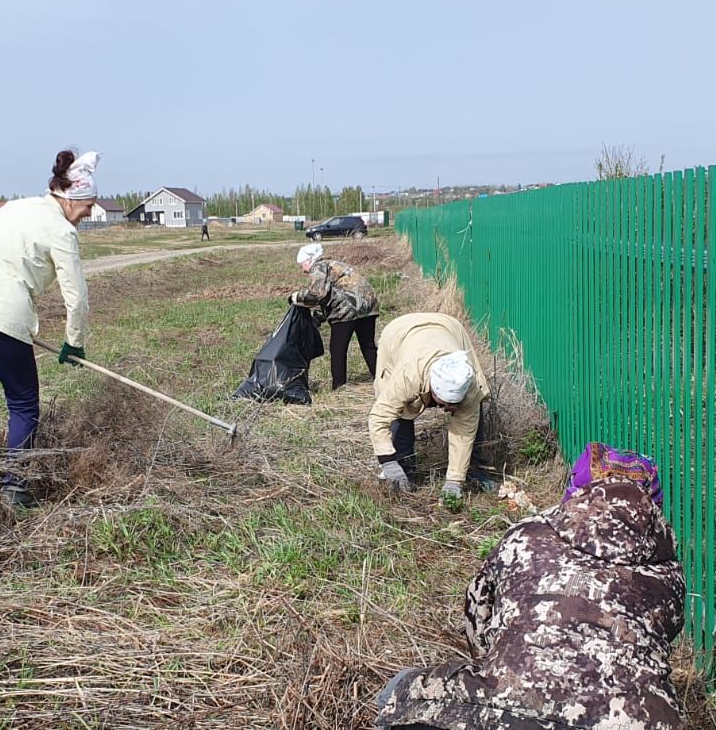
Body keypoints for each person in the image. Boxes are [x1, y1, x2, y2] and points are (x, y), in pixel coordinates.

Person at [374, 443, 686, 730]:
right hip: (634, 720)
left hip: (511, 707)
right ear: (652, 506)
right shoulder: (667, 569)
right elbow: (657, 643)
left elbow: (478, 620)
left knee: (400, 691)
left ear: (575, 492)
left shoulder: (525, 534)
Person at [0, 149, 97, 507]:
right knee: (24, 404)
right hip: (3, 318)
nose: (88, 214)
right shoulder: (61, 231)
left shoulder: (14, 208)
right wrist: (75, 342)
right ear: (73, 198)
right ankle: (14, 488)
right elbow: (77, 296)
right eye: (88, 205)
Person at [369, 313, 488, 500]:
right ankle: (402, 469)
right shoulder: (408, 376)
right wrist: (387, 461)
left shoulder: (468, 383)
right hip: (399, 333)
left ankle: (474, 470)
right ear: (433, 391)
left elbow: (464, 431)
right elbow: (379, 417)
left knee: (473, 410)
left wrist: (454, 481)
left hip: (449, 327)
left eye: (454, 404)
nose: (448, 409)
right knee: (399, 412)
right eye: (445, 403)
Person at [290, 243, 380, 391]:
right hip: (368, 305)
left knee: (338, 349)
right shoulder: (334, 264)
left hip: (347, 309)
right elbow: (330, 294)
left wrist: (297, 297)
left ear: (309, 260)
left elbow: (318, 293)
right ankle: (381, 380)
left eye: (301, 265)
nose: (302, 269)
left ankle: (339, 387)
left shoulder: (318, 266)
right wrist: (318, 318)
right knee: (368, 346)